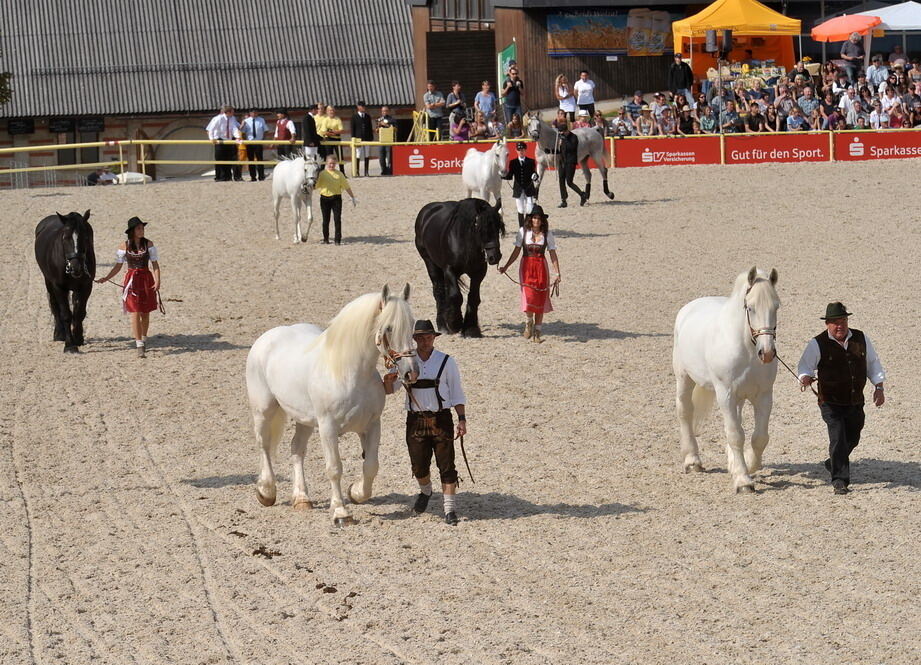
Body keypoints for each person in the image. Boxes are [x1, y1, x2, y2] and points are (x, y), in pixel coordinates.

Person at [383, 319, 466, 526]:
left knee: (447, 465)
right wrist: (387, 381)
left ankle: (449, 509)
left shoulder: (447, 361)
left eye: (428, 337)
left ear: (433, 338)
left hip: (441, 418)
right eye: (420, 337)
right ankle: (426, 490)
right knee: (418, 465)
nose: (425, 341)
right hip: (416, 420)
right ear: (415, 339)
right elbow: (390, 390)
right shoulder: (405, 360)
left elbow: (456, 393)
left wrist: (462, 419)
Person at [797, 302, 885, 495]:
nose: (840, 326)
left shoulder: (861, 338)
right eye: (835, 322)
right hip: (830, 401)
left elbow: (873, 363)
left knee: (853, 436)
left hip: (855, 400)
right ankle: (840, 480)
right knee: (837, 437)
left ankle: (833, 461)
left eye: (843, 320)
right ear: (827, 324)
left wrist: (879, 386)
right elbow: (804, 367)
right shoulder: (817, 343)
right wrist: (804, 378)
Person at [95, 217, 161, 358]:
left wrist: (158, 280)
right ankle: (139, 345)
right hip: (132, 280)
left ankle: (144, 337)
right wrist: (106, 278)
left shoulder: (149, 244)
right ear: (132, 231)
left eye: (142, 228)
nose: (141, 230)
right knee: (135, 312)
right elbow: (118, 266)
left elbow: (155, 264)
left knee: (145, 312)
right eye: (138, 228)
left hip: (146, 279)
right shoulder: (124, 246)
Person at [497, 205, 560, 344]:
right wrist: (506, 266)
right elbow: (516, 251)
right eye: (534, 218)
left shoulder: (547, 234)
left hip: (541, 267)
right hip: (526, 267)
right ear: (530, 219)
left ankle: (537, 332)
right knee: (529, 296)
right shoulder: (523, 232)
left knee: (540, 297)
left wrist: (557, 273)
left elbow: (553, 254)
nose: (536, 221)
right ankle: (529, 321)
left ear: (542, 220)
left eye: (539, 218)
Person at [316, 153, 356, 245]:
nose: (331, 165)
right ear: (326, 163)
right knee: (326, 220)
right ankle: (326, 239)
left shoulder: (339, 174)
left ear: (336, 164)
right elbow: (316, 186)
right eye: (330, 163)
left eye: (333, 163)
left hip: (336, 199)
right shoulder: (322, 174)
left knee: (337, 219)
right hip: (324, 199)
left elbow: (346, 186)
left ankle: (337, 240)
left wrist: (352, 197)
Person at [502, 141, 538, 227]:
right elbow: (510, 176)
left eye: (522, 150)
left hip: (529, 188)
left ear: (525, 150)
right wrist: (503, 175)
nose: (521, 151)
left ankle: (528, 225)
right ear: (516, 151)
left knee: (529, 209)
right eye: (519, 150)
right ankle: (522, 228)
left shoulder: (531, 161)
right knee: (520, 209)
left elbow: (535, 174)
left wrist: (535, 176)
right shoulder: (513, 162)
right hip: (518, 189)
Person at [555, 122, 586, 208]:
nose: (561, 134)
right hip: (562, 162)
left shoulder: (573, 137)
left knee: (569, 182)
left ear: (566, 131)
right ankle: (563, 200)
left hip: (570, 162)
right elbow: (561, 150)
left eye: (562, 132)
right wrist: (550, 151)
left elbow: (572, 148)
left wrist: (564, 140)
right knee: (561, 180)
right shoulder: (561, 138)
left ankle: (582, 194)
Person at [205, 105, 239, 182]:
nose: (233, 113)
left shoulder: (232, 118)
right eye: (232, 111)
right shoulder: (218, 118)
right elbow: (211, 129)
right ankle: (220, 177)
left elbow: (234, 128)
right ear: (228, 112)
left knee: (228, 159)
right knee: (220, 159)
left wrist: (237, 137)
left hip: (229, 140)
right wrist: (211, 138)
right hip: (219, 139)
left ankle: (228, 176)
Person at [240, 109, 267, 182]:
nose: (254, 114)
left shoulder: (261, 120)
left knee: (260, 159)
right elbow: (242, 132)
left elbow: (265, 130)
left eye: (256, 112)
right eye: (252, 112)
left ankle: (261, 176)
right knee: (251, 160)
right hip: (250, 142)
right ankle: (253, 177)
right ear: (250, 113)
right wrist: (242, 124)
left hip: (258, 142)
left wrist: (263, 140)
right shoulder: (246, 121)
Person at [351, 101, 374, 177]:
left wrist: (371, 138)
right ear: (358, 107)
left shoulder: (367, 116)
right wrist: (353, 138)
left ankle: (366, 171)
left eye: (364, 106)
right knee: (358, 154)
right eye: (362, 106)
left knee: (367, 154)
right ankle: (357, 171)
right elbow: (352, 129)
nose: (363, 107)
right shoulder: (354, 117)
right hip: (358, 139)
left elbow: (370, 128)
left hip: (367, 138)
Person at [322, 105, 344, 172]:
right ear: (327, 111)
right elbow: (324, 132)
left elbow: (341, 130)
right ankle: (329, 171)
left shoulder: (338, 119)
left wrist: (332, 131)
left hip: (337, 139)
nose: (331, 112)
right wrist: (334, 132)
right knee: (329, 156)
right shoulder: (325, 120)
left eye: (332, 110)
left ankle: (342, 172)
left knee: (340, 156)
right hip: (328, 140)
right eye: (330, 110)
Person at [376, 106, 395, 175]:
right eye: (383, 111)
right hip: (381, 141)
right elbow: (376, 130)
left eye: (386, 111)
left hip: (389, 141)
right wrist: (378, 127)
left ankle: (390, 170)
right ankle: (383, 170)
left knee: (389, 157)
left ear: (388, 111)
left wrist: (386, 125)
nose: (384, 112)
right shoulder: (379, 119)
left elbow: (395, 129)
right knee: (381, 157)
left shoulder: (392, 119)